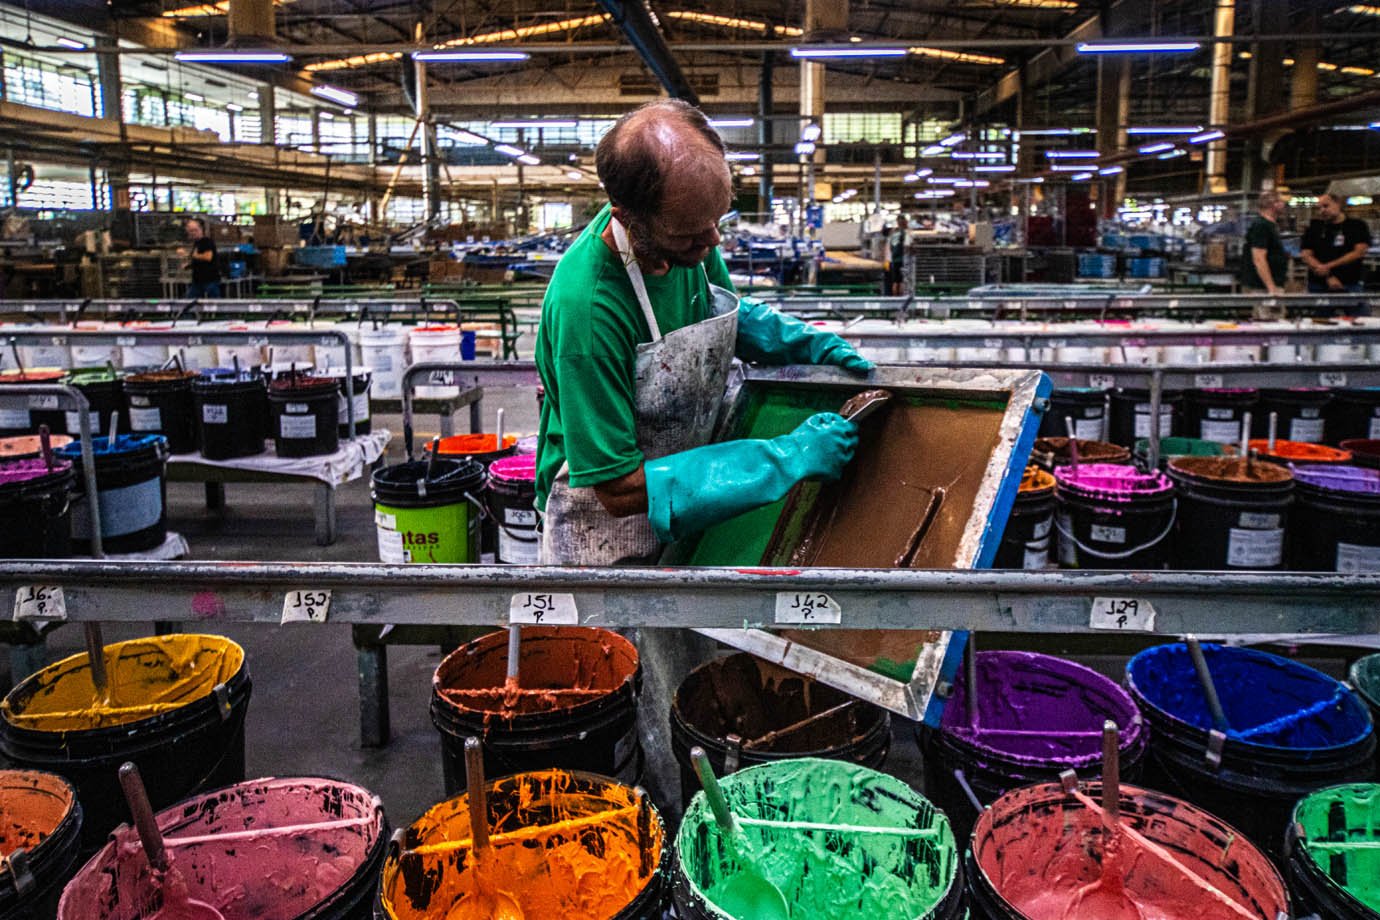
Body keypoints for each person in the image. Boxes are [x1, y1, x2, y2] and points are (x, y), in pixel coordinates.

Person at [534, 99, 872, 801]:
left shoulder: (689, 236)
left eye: (719, 220)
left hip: (696, 497)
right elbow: (617, 487)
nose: (711, 241)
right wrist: (783, 459)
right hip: (612, 538)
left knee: (709, 687)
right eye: (692, 234)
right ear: (628, 217)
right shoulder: (587, 308)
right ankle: (661, 833)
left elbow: (723, 310)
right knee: (642, 711)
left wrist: (799, 342)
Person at [1301, 191, 1372, 293]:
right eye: (1319, 208)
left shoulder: (1357, 225)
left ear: (1338, 204)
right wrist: (1328, 275)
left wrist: (1327, 266)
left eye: (1326, 206)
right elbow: (1306, 255)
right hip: (1318, 285)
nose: (1322, 210)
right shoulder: (1314, 227)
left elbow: (1359, 252)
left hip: (1350, 283)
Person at [1239, 190, 1288, 295]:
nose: (1284, 204)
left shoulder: (1271, 225)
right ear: (1272, 204)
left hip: (1271, 285)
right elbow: (1259, 258)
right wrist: (1271, 288)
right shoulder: (1261, 225)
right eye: (1280, 201)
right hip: (1262, 288)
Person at [184, 217, 222, 299]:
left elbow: (208, 257)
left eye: (194, 230)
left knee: (214, 302)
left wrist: (189, 254)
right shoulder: (197, 243)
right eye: (190, 231)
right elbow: (198, 260)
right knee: (190, 301)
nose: (192, 233)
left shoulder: (207, 241)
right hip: (198, 280)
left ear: (201, 229)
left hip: (209, 279)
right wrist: (189, 265)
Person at [887, 214, 909, 295]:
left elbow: (890, 246)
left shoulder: (893, 233)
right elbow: (907, 246)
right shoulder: (905, 232)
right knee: (902, 281)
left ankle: (895, 299)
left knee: (895, 281)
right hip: (903, 260)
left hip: (893, 259)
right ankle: (902, 298)